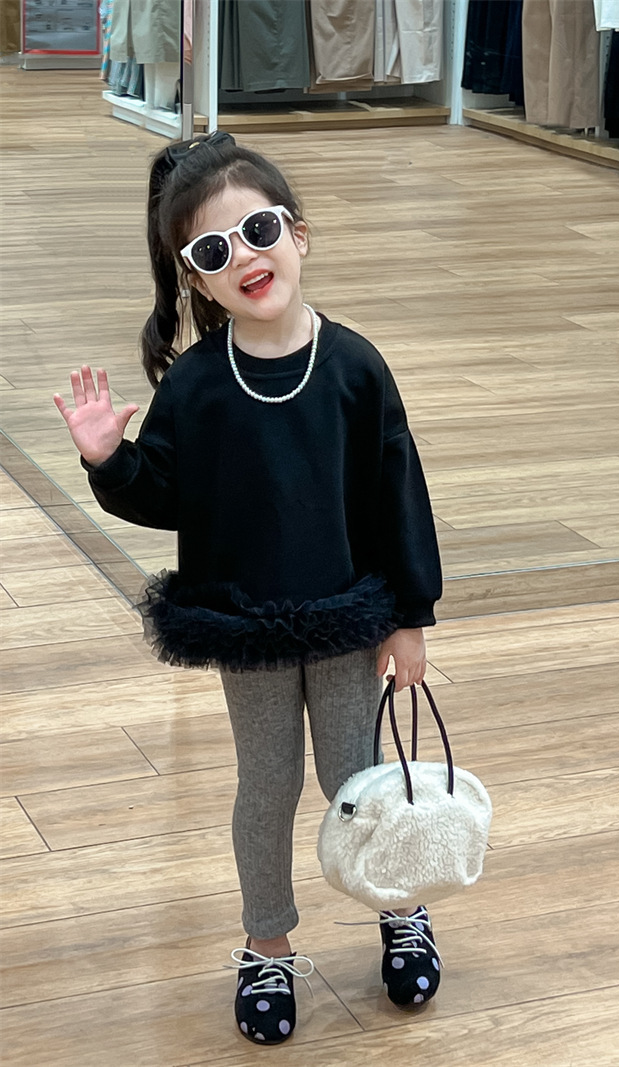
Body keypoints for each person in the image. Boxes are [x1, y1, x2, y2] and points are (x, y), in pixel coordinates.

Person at [53, 131, 443, 1046]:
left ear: (298, 234)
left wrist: (411, 615)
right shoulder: (196, 384)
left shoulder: (355, 366)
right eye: (213, 249)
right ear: (196, 278)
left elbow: (397, 492)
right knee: (266, 788)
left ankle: (401, 907)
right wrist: (109, 459)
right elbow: (163, 495)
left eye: (259, 230)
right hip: (245, 627)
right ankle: (267, 943)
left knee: (359, 780)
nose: (244, 257)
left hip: (348, 617)